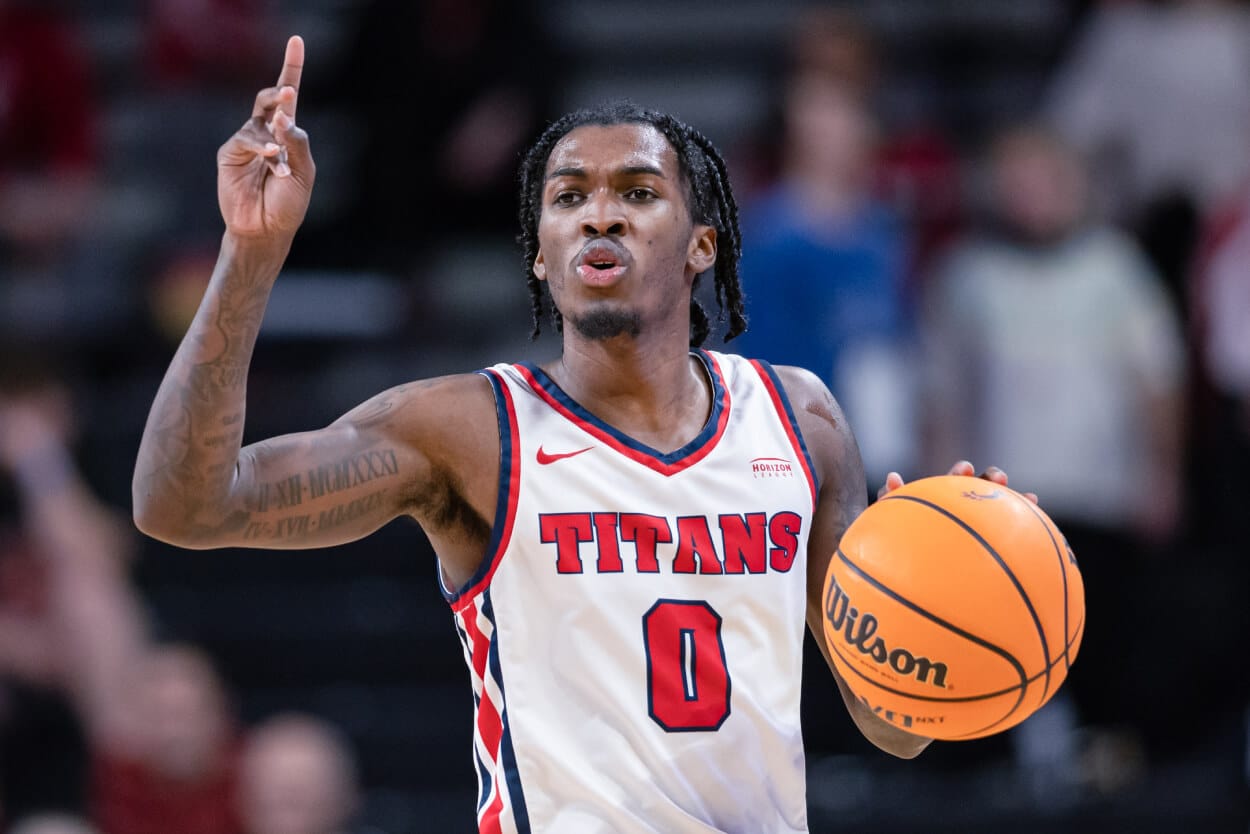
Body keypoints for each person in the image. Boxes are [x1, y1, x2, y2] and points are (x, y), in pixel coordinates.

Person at [132, 36, 1027, 833]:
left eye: (638, 192)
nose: (600, 214)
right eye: (568, 197)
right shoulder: (468, 431)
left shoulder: (803, 421)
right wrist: (250, 255)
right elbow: (183, 505)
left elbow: (892, 727)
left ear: (702, 244)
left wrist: (947, 595)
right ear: (540, 250)